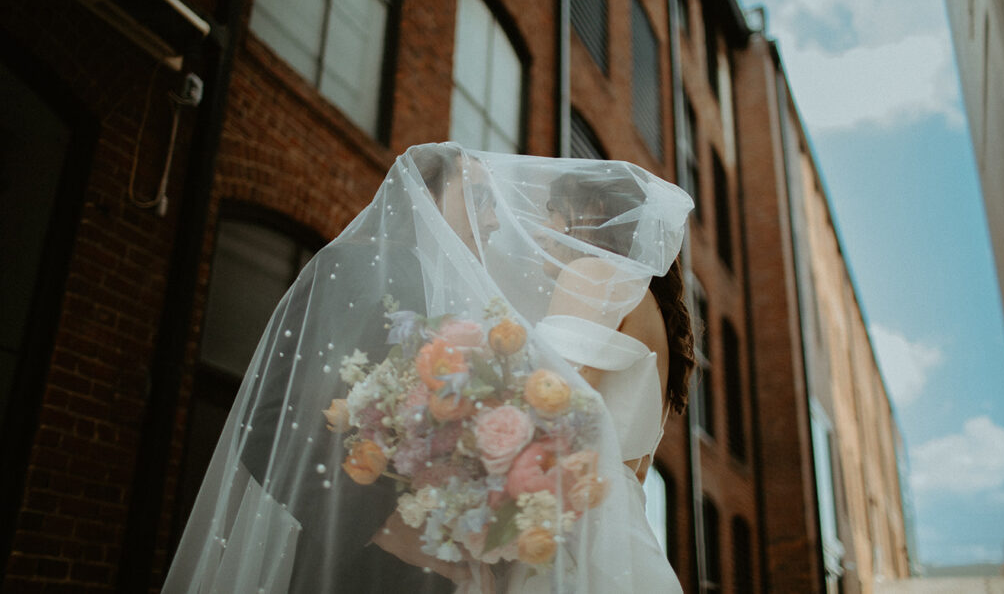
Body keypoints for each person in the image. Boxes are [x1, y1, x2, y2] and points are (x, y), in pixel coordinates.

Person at [163, 143, 694, 593]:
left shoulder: (502, 310)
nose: (497, 218)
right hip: (360, 570)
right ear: (426, 196)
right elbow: (271, 417)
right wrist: (383, 525)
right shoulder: (353, 270)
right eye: (480, 198)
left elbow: (549, 423)